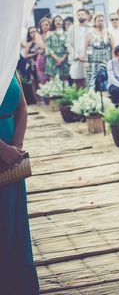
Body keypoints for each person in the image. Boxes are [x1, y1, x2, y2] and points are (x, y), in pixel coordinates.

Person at [0, 74, 40, 293]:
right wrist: (3, 149)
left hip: (11, 152)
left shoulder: (9, 61)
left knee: (12, 219)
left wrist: (15, 145)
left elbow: (22, 107)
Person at [85, 13, 111, 91]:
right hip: (93, 58)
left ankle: (105, 96)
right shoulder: (90, 33)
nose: (100, 22)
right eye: (98, 20)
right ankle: (92, 96)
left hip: (106, 57)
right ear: (95, 21)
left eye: (102, 20)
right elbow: (85, 48)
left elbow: (113, 47)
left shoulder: (108, 32)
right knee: (93, 77)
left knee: (104, 76)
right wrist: (86, 61)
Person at [44, 15, 70, 81]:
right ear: (53, 23)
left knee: (65, 80)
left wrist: (62, 59)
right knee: (53, 80)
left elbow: (69, 48)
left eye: (60, 20)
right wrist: (57, 58)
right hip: (52, 60)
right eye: (56, 20)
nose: (58, 22)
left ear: (62, 22)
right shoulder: (49, 33)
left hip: (64, 60)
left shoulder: (67, 34)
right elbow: (47, 48)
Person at [69, 8, 90, 88]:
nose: (80, 16)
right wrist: (77, 56)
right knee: (76, 80)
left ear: (87, 16)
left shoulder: (90, 28)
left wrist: (86, 57)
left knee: (87, 80)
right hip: (76, 58)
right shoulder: (72, 28)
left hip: (87, 58)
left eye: (82, 14)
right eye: (78, 15)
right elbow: (69, 44)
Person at [35, 17, 50, 85]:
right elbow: (43, 47)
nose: (44, 27)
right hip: (42, 59)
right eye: (42, 25)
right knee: (43, 80)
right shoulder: (38, 35)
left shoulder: (54, 33)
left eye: (46, 25)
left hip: (52, 59)